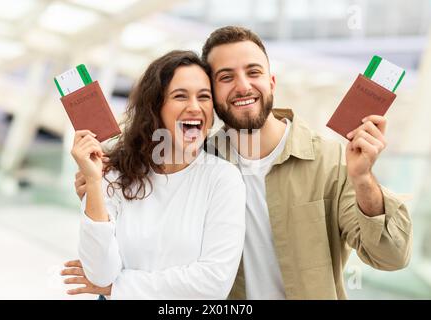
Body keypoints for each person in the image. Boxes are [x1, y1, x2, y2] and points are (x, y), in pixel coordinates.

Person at [69, 26, 412, 300]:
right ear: (214, 94)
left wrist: (364, 179)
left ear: (271, 82)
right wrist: (97, 188)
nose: (243, 86)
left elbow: (391, 257)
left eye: (253, 72)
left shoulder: (329, 159)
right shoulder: (198, 159)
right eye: (226, 77)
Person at [61, 50, 246, 299]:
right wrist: (94, 184)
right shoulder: (112, 173)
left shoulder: (223, 179)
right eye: (180, 96)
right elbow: (100, 275)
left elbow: (213, 285)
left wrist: (118, 288)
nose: (194, 107)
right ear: (155, 108)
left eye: (204, 97)